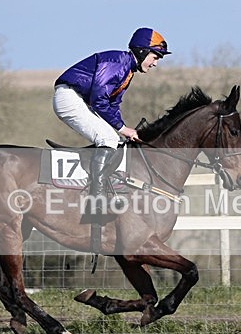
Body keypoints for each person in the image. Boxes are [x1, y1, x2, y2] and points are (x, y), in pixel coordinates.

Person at [52, 28, 172, 206]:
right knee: (108, 138)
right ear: (143, 51)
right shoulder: (117, 63)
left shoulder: (127, 70)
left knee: (114, 140)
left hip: (78, 98)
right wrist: (123, 128)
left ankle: (99, 186)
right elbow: (99, 100)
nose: (155, 63)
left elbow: (113, 105)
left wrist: (123, 129)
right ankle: (97, 198)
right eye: (155, 57)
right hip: (68, 97)